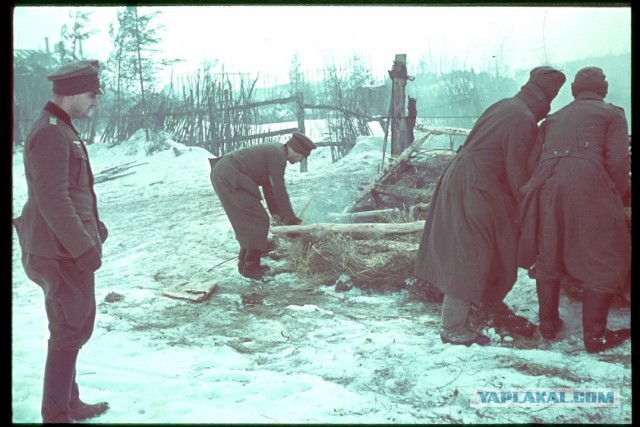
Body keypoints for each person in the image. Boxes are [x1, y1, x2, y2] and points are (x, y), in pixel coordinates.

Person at [414, 66, 567, 346]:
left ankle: (486, 301)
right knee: (471, 251)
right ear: (545, 95)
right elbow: (516, 171)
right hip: (477, 185)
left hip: (467, 178)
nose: (549, 105)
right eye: (551, 97)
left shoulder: (507, 105)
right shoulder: (522, 118)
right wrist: (528, 204)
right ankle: (453, 327)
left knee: (493, 245)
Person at [12, 60, 110, 423]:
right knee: (70, 326)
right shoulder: (52, 132)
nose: (94, 103)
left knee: (73, 325)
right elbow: (53, 198)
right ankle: (56, 413)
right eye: (91, 95)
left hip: (61, 245)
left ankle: (69, 402)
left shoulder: (59, 127)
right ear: (71, 94)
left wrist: (92, 228)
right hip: (58, 250)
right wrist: (83, 247)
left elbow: (70, 189)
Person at [518, 67, 631, 353]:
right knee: (603, 253)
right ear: (603, 90)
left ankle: (548, 325)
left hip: (548, 183)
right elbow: (618, 162)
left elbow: (533, 161)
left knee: (550, 248)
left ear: (574, 90)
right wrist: (616, 192)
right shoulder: (613, 114)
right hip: (589, 182)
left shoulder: (553, 118)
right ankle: (594, 337)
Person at [210, 132, 317, 279]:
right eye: (303, 156)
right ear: (297, 150)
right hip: (230, 174)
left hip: (224, 173)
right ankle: (252, 266)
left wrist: (279, 217)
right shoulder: (277, 156)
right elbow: (279, 190)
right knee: (259, 220)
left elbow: (270, 189)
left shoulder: (276, 151)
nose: (301, 160)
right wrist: (291, 219)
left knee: (250, 221)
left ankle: (245, 264)